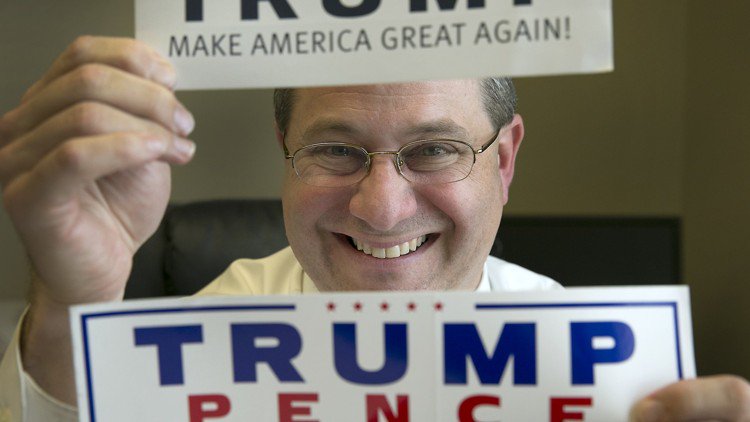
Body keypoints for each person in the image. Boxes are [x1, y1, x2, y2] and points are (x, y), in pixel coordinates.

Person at [0, 36, 748, 422]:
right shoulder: (228, 316)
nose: (381, 209)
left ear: (504, 160)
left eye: (435, 149)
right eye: (334, 149)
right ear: (285, 150)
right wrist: (72, 302)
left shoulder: (586, 367)